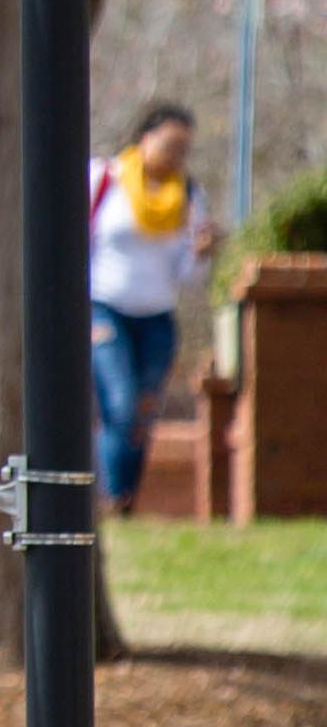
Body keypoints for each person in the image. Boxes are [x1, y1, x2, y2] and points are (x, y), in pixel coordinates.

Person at [89, 101, 211, 517]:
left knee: (142, 413)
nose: (175, 155)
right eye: (169, 143)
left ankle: (125, 501)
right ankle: (109, 495)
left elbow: (189, 275)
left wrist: (201, 254)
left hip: (157, 316)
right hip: (105, 308)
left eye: (183, 148)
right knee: (118, 404)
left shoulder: (188, 195)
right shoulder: (105, 179)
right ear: (145, 138)